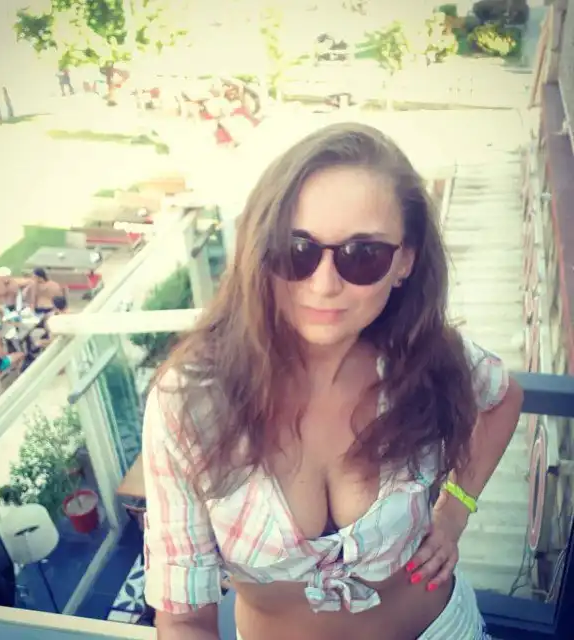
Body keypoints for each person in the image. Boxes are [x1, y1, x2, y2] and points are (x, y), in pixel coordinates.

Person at [142, 123, 525, 640]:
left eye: (363, 255)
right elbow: (185, 619)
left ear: (405, 261)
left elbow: (503, 398)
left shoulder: (427, 357)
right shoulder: (190, 403)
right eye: (295, 249)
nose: (323, 285)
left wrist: (455, 510)